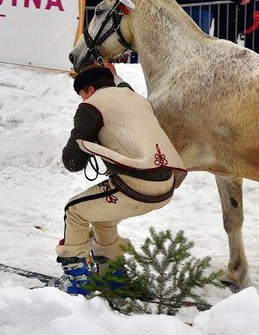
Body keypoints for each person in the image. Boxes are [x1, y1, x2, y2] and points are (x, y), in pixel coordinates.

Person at [58, 66, 187, 295]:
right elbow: (121, 86)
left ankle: (78, 279)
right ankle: (114, 273)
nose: (83, 99)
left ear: (89, 89)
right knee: (103, 218)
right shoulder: (137, 99)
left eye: (82, 95)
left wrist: (86, 140)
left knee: (75, 211)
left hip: (137, 184)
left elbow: (73, 162)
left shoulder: (92, 104)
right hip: (167, 183)